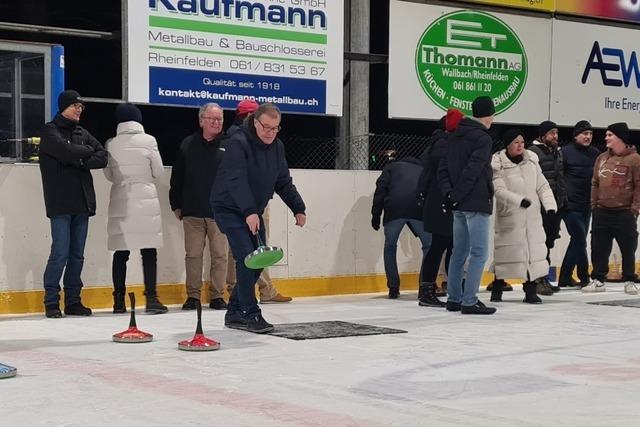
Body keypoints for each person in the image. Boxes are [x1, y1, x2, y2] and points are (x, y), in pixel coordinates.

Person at [211, 103, 306, 333]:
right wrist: (249, 212)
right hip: (229, 207)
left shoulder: (277, 147)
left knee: (257, 263)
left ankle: (234, 311)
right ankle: (250, 314)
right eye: (266, 127)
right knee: (247, 258)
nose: (271, 133)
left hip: (251, 209)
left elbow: (282, 181)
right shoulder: (238, 143)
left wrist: (298, 207)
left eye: (275, 128)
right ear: (255, 123)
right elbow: (235, 179)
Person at [39, 89, 108, 318]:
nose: (79, 110)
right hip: (60, 203)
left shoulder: (81, 132)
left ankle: (73, 300)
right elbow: (65, 151)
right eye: (75, 106)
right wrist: (83, 155)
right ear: (64, 107)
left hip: (83, 203)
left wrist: (76, 159)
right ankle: (51, 301)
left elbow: (102, 155)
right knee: (60, 252)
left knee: (77, 254)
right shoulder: (50, 131)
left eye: (81, 107)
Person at [226, 99, 292, 303]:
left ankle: (253, 290)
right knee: (248, 251)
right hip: (243, 204)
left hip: (255, 202)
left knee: (253, 249)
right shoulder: (238, 139)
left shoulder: (263, 141)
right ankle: (245, 293)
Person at [104, 103, 167, 314]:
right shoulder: (149, 141)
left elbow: (109, 175)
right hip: (146, 198)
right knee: (149, 251)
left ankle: (119, 301)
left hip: (121, 199)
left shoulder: (111, 143)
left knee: (121, 253)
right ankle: (151, 299)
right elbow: (158, 171)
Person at [437, 96, 497, 315]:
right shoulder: (482, 138)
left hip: (458, 203)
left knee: (459, 252)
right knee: (479, 253)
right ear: (489, 115)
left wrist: (450, 196)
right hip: (476, 202)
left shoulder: (453, 136)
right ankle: (469, 300)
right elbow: (473, 170)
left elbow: (442, 169)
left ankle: (454, 298)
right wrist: (459, 195)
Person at [170, 103, 228, 311]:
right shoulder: (188, 144)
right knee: (193, 255)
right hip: (192, 212)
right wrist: (175, 204)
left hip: (220, 213)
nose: (216, 122)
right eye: (212, 118)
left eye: (220, 119)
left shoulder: (229, 145)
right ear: (201, 120)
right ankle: (193, 296)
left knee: (220, 255)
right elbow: (178, 176)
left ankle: (217, 296)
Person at [490, 129, 557, 304]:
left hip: (532, 217)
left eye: (522, 142)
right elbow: (498, 190)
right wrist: (518, 201)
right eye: (515, 142)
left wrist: (550, 205)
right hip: (510, 216)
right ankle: (497, 286)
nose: (520, 145)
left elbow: (542, 186)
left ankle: (530, 290)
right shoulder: (498, 164)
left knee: (532, 254)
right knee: (506, 254)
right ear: (508, 145)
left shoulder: (532, 162)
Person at [584, 122, 640, 294]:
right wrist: (594, 205)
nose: (606, 138)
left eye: (610, 135)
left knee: (628, 247)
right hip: (601, 211)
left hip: (624, 212)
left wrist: (635, 209)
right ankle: (598, 279)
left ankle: (630, 279)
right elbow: (595, 183)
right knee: (598, 246)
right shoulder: (601, 158)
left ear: (620, 138)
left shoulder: (634, 159)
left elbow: (639, 185)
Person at [418, 108, 464, 307]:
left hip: (441, 203)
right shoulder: (444, 146)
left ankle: (450, 287)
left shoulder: (440, 144)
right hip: (440, 204)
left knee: (449, 246)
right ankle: (427, 290)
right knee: (440, 246)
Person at [371, 155, 432, 300]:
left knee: (390, 246)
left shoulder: (391, 167)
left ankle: (393, 287)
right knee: (429, 246)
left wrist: (376, 215)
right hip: (418, 210)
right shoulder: (423, 169)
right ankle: (424, 286)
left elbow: (380, 189)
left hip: (394, 209)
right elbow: (429, 192)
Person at [558, 121, 600, 288]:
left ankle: (566, 277)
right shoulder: (565, 152)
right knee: (580, 239)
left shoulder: (596, 154)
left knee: (577, 240)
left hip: (587, 205)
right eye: (584, 133)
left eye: (590, 133)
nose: (588, 136)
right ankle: (583, 277)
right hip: (570, 205)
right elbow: (559, 177)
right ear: (576, 135)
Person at [529, 121, 567, 295]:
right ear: (543, 135)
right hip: (540, 208)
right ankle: (536, 280)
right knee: (538, 244)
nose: (555, 136)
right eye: (552, 133)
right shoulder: (533, 152)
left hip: (555, 206)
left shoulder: (557, 152)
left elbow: (560, 179)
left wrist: (562, 201)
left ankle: (544, 276)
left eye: (557, 133)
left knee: (548, 243)